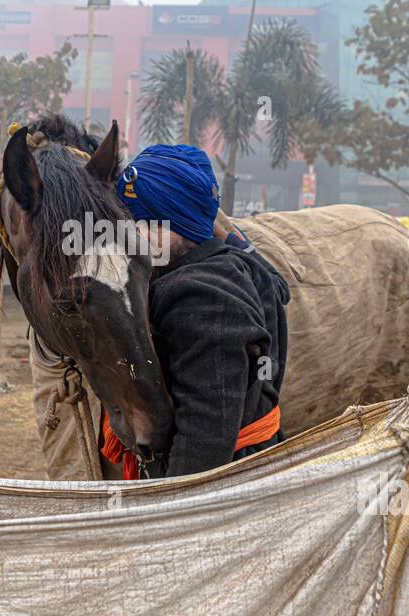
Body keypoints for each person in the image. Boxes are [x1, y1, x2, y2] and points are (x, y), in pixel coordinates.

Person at [101, 144, 290, 478]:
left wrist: (171, 518)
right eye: (130, 221)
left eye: (149, 222)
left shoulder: (204, 300)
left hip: (225, 486)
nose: (135, 235)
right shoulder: (240, 263)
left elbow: (204, 442)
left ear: (183, 224)